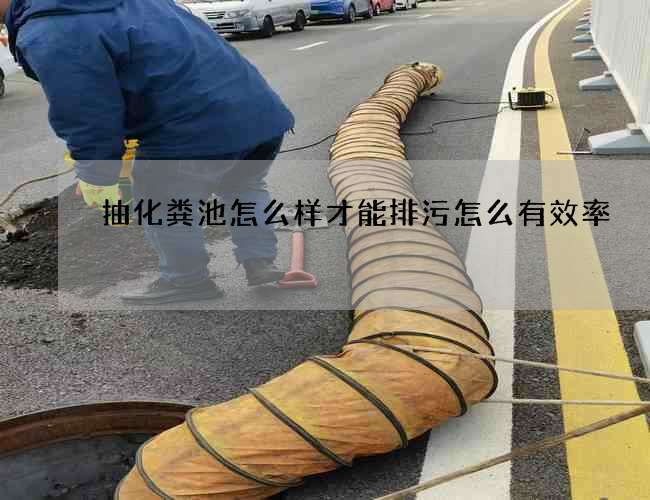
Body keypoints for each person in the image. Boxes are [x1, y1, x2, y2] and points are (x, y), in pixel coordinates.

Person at [1, 0, 294, 305]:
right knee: (243, 185)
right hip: (258, 112)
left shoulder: (52, 28)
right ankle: (260, 262)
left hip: (193, 127)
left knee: (162, 199)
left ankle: (186, 281)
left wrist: (96, 175)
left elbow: (86, 111)